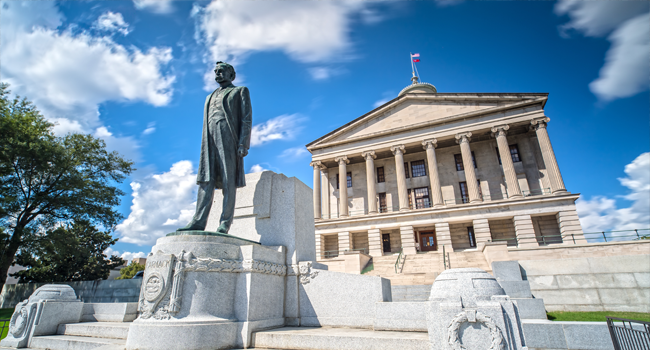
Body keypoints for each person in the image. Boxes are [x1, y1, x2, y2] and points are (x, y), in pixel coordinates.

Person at [178, 62, 252, 234]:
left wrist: (243, 143)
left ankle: (225, 223)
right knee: (205, 179)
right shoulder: (209, 96)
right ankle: (198, 221)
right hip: (209, 139)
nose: (218, 74)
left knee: (228, 180)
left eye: (222, 71)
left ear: (231, 75)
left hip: (229, 138)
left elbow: (246, 119)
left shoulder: (239, 91)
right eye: (216, 72)